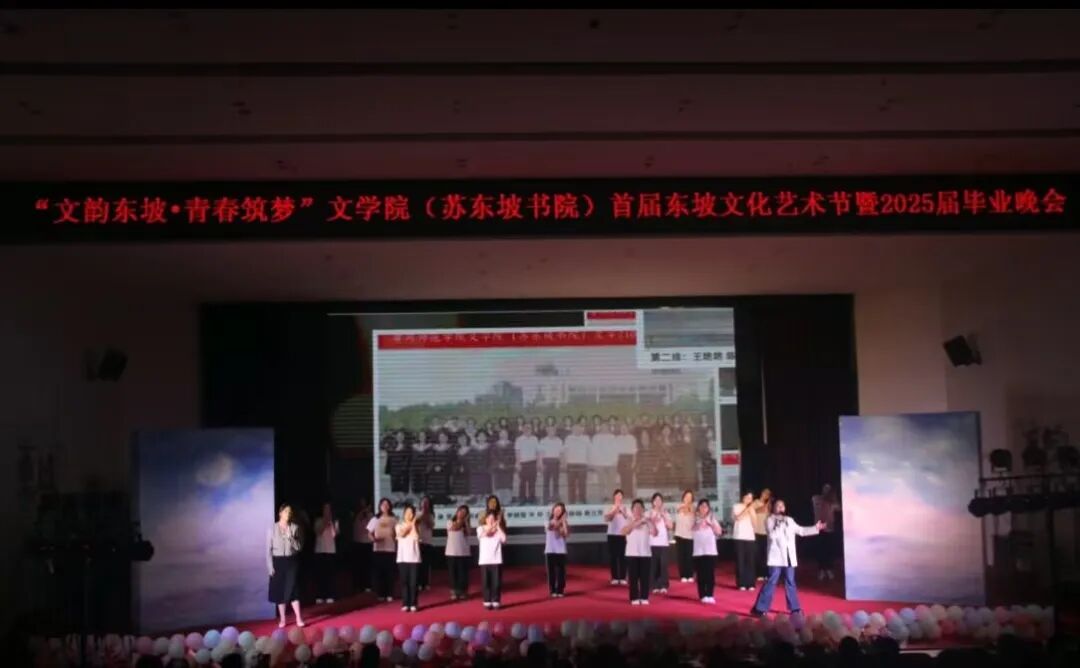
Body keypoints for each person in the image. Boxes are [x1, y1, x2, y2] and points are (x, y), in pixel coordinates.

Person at [750, 498, 825, 617]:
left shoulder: (789, 520)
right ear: (773, 508)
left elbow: (801, 531)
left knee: (790, 582)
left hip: (789, 557)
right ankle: (760, 608)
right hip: (776, 557)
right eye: (778, 505)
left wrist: (815, 528)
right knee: (772, 581)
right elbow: (772, 536)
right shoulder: (769, 520)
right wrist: (778, 524)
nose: (780, 508)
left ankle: (795, 608)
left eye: (782, 506)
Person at [267, 503, 305, 628]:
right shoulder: (272, 528)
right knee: (280, 592)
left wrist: (291, 538)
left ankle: (298, 618)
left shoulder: (294, 527)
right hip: (278, 562)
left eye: (290, 512)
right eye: (286, 511)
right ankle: (283, 619)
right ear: (280, 513)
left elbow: (298, 547)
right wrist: (270, 566)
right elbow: (268, 550)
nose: (288, 514)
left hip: (291, 561)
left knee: (294, 590)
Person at [622, 498, 657, 605]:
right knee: (633, 577)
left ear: (643, 509)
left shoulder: (647, 521)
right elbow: (624, 531)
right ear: (632, 510)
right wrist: (636, 523)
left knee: (645, 577)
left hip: (645, 553)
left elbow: (655, 533)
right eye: (636, 508)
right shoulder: (629, 520)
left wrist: (650, 522)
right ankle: (634, 597)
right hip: (632, 553)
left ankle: (644, 597)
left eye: (640, 508)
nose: (638, 510)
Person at [692, 499, 723, 604]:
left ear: (708, 508)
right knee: (701, 574)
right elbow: (691, 529)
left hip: (710, 551)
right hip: (698, 551)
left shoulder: (712, 518)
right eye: (701, 506)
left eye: (706, 506)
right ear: (698, 508)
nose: (703, 508)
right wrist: (700, 522)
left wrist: (711, 524)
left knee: (710, 574)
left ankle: (710, 594)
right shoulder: (695, 518)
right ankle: (702, 595)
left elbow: (719, 532)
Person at [366, 498, 397, 602]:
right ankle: (381, 593)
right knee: (379, 573)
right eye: (383, 504)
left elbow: (397, 533)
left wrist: (395, 537)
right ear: (379, 506)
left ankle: (389, 593)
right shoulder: (375, 519)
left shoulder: (393, 519)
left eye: (387, 504)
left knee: (390, 573)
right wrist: (374, 539)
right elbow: (369, 533)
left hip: (390, 548)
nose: (385, 506)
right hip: (378, 549)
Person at [477, 509, 507, 609]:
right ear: (485, 519)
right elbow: (486, 534)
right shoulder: (481, 528)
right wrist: (492, 527)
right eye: (489, 518)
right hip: (484, 560)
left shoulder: (498, 530)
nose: (491, 520)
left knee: (496, 582)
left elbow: (504, 539)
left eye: (493, 518)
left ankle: (496, 601)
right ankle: (487, 601)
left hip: (496, 560)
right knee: (486, 582)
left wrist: (498, 527)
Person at [812, 483, 842, 581]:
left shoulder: (832, 502)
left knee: (829, 550)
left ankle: (829, 569)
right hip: (819, 528)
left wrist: (833, 499)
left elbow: (839, 508)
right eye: (825, 489)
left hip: (829, 529)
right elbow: (814, 499)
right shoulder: (817, 499)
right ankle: (821, 570)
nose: (826, 491)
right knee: (820, 550)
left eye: (828, 489)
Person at [395, 503, 421, 612]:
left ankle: (414, 603)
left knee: (413, 582)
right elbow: (402, 534)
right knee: (404, 582)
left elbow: (416, 537)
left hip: (414, 558)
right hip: (402, 558)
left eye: (411, 513)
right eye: (407, 512)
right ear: (404, 514)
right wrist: (411, 524)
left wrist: (414, 525)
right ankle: (405, 603)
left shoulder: (416, 526)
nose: (409, 515)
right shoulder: (399, 525)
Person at [312, 501, 339, 604]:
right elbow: (318, 532)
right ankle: (320, 595)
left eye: (328, 509)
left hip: (331, 551)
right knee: (320, 575)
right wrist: (325, 522)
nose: (327, 511)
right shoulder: (318, 520)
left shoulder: (334, 521)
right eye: (325, 509)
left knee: (330, 575)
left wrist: (331, 524)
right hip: (320, 550)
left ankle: (330, 595)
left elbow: (335, 535)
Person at [648, 493, 673, 594]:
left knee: (663, 564)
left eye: (660, 500)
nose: (658, 502)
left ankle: (663, 585)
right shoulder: (649, 513)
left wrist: (664, 516)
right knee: (653, 565)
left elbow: (670, 526)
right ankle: (654, 585)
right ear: (653, 502)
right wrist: (654, 519)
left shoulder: (665, 513)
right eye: (656, 500)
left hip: (663, 542)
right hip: (652, 542)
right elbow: (647, 526)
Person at [731, 491, 757, 591]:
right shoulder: (736, 506)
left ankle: (751, 583)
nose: (749, 500)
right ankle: (741, 583)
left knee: (750, 561)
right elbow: (738, 518)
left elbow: (754, 523)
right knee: (740, 561)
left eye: (751, 498)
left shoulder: (752, 509)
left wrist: (751, 511)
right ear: (743, 497)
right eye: (747, 497)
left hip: (750, 537)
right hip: (739, 537)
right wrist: (747, 509)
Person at [445, 505, 472, 600]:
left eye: (465, 512)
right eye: (461, 511)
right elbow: (454, 527)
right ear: (457, 512)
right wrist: (462, 521)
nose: (462, 514)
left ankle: (463, 591)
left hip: (463, 552)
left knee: (463, 573)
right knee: (453, 573)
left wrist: (466, 522)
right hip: (451, 552)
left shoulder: (466, 524)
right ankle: (454, 591)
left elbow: (469, 533)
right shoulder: (450, 522)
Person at [604, 489, 630, 585]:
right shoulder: (609, 507)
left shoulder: (626, 508)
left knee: (623, 556)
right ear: (614, 497)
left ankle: (623, 577)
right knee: (613, 556)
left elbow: (630, 518)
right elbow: (608, 518)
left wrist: (623, 512)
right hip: (612, 534)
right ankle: (614, 577)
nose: (619, 497)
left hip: (623, 534)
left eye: (620, 495)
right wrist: (615, 510)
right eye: (617, 495)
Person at [563, 421, 591, 504]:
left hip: (582, 463)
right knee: (571, 484)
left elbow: (589, 451)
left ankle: (582, 501)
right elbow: (565, 451)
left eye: (579, 428)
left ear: (581, 429)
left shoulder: (586, 438)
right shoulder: (568, 438)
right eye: (575, 428)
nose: (577, 430)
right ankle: (572, 501)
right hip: (571, 463)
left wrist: (589, 462)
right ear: (572, 429)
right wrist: (565, 462)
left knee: (582, 484)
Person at [545, 502, 569, 597]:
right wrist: (561, 521)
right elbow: (552, 527)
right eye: (556, 509)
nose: (557, 512)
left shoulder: (564, 522)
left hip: (561, 550)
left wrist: (564, 522)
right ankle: (552, 590)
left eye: (560, 510)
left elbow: (564, 534)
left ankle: (560, 590)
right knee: (551, 571)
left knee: (561, 571)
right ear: (553, 510)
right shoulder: (548, 521)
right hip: (550, 549)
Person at [590, 423, 619, 499]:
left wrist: (615, 460)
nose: (604, 428)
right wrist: (594, 463)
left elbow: (616, 449)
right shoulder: (596, 437)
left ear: (608, 427)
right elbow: (593, 450)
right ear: (600, 427)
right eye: (602, 427)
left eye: (605, 427)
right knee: (601, 481)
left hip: (611, 463)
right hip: (600, 463)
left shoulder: (612, 437)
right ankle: (602, 496)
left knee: (611, 482)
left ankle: (611, 496)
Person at [351, 498, 373, 593]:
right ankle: (357, 585)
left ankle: (367, 585)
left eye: (364, 503)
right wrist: (362, 512)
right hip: (357, 543)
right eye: (361, 503)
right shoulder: (356, 514)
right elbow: (356, 524)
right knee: (358, 566)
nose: (362, 504)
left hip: (367, 543)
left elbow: (370, 528)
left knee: (367, 566)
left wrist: (367, 513)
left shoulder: (371, 515)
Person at [539, 423, 564, 504]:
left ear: (555, 431)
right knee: (546, 482)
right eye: (549, 430)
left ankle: (555, 498)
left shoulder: (559, 441)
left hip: (556, 462)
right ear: (547, 431)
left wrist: (561, 463)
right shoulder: (543, 441)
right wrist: (541, 463)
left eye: (553, 430)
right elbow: (541, 453)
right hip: (546, 462)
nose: (551, 432)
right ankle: (546, 499)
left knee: (556, 481)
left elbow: (561, 453)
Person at [674, 490, 696, 583]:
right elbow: (680, 510)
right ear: (683, 497)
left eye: (690, 497)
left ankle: (689, 574)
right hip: (679, 534)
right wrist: (685, 506)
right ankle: (683, 575)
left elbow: (691, 513)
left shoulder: (694, 507)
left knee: (689, 556)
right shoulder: (678, 506)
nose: (688, 498)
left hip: (690, 535)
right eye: (686, 496)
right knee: (681, 556)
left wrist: (689, 507)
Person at [515, 423, 539, 504]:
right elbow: (517, 452)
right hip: (523, 463)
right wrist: (518, 463)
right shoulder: (519, 439)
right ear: (523, 429)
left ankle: (532, 498)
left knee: (532, 482)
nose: (527, 430)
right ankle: (522, 498)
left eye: (529, 428)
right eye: (526, 428)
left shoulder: (535, 439)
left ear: (531, 430)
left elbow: (537, 452)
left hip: (532, 463)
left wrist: (538, 463)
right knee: (522, 482)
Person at [752, 488, 773, 581]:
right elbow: (755, 511)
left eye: (768, 494)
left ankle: (765, 573)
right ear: (761, 493)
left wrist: (769, 506)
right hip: (757, 531)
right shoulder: (756, 502)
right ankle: (758, 573)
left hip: (766, 532)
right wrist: (766, 505)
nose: (766, 495)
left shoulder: (769, 505)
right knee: (758, 554)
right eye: (765, 493)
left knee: (765, 554)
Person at [416, 496, 436, 591]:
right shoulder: (416, 513)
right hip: (418, 541)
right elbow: (415, 523)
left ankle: (426, 583)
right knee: (418, 564)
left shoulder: (431, 515)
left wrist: (426, 515)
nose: (425, 504)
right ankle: (419, 583)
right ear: (420, 504)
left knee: (426, 564)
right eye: (423, 502)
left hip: (427, 542)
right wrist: (422, 514)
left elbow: (430, 525)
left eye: (427, 503)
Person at [491, 428, 516, 502]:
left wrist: (506, 465)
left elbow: (513, 456)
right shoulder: (495, 445)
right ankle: (498, 500)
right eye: (502, 433)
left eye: (505, 433)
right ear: (499, 435)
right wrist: (498, 464)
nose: (503, 435)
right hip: (498, 469)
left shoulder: (512, 444)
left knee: (507, 484)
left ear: (507, 435)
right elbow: (493, 456)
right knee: (498, 484)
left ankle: (507, 500)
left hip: (508, 468)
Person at [615, 422, 638, 498]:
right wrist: (616, 462)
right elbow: (616, 451)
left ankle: (630, 494)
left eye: (625, 428)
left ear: (628, 429)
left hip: (629, 459)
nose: (624, 430)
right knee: (623, 477)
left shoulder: (632, 438)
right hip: (621, 459)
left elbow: (634, 451)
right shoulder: (617, 438)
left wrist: (634, 462)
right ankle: (623, 494)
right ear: (620, 430)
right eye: (622, 429)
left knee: (629, 477)